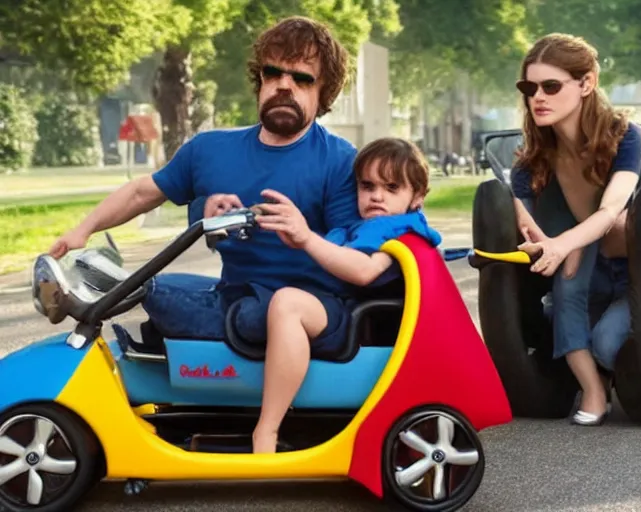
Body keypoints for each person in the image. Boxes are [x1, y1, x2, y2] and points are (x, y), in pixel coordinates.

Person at [48, 17, 362, 352]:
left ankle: (95, 289)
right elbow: (143, 192)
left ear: (323, 90)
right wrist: (83, 230)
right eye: (273, 73)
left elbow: (355, 260)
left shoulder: (341, 161)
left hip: (299, 311)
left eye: (302, 78)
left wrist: (303, 235)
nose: (284, 85)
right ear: (260, 79)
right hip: (236, 294)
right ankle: (114, 292)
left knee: (173, 298)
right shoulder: (209, 149)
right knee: (159, 286)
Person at [508, 33, 641, 426]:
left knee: (609, 346)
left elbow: (613, 208)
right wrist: (538, 242)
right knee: (562, 303)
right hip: (587, 278)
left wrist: (566, 242)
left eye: (551, 86)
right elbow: (529, 228)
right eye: (530, 87)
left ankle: (619, 367)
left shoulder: (628, 138)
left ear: (586, 84)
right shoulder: (532, 163)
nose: (537, 97)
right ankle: (594, 389)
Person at [250, 137, 441, 453]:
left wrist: (308, 239)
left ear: (416, 196)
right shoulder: (360, 226)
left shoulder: (402, 231)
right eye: (367, 186)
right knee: (278, 297)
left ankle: (266, 431)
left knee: (287, 304)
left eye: (392, 188)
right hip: (341, 310)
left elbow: (365, 270)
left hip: (358, 321)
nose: (376, 196)